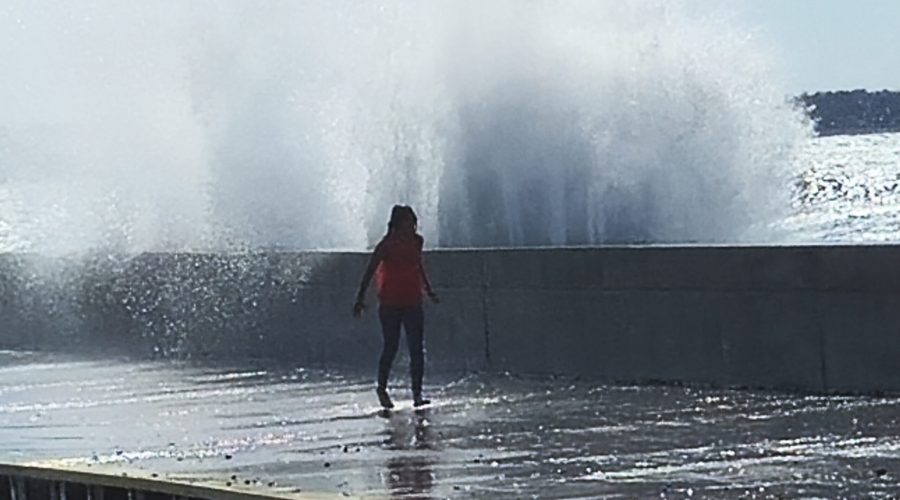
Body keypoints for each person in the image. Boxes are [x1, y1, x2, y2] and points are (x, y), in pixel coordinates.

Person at [353, 205, 439, 409]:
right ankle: (382, 389)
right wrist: (360, 298)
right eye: (407, 222)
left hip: (413, 301)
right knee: (391, 346)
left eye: (413, 222)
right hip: (390, 303)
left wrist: (429, 291)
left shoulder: (417, 242)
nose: (412, 226)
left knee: (416, 348)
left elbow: (419, 267)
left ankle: (417, 394)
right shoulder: (386, 245)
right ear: (398, 223)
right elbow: (370, 270)